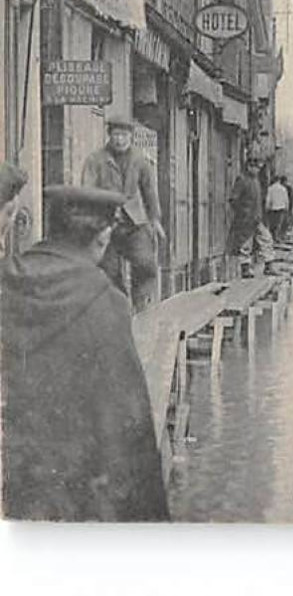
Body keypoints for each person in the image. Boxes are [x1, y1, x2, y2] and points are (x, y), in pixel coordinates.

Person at [2, 185, 170, 520]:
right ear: (102, 238)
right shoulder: (106, 301)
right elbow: (127, 423)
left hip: (18, 480)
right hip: (76, 492)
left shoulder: (9, 280)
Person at [80, 115, 163, 312]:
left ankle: (141, 304)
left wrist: (155, 220)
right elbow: (87, 192)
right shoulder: (96, 160)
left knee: (146, 263)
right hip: (106, 224)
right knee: (108, 271)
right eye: (116, 135)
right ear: (109, 135)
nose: (120, 140)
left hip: (134, 222)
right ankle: (120, 308)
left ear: (131, 136)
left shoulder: (139, 159)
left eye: (124, 135)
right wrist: (92, 222)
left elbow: (149, 190)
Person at [228, 163, 263, 276]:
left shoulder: (256, 181)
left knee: (265, 239)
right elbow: (233, 199)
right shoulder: (242, 180)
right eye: (255, 166)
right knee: (245, 243)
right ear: (249, 167)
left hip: (256, 217)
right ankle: (245, 268)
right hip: (246, 218)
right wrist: (243, 212)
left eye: (259, 167)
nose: (257, 169)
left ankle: (267, 265)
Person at [265, 174, 291, 243]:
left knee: (272, 224)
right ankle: (277, 237)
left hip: (273, 208)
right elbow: (286, 199)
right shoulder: (283, 189)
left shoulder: (270, 188)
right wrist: (287, 207)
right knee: (278, 224)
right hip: (281, 208)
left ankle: (272, 237)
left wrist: (267, 207)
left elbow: (268, 199)